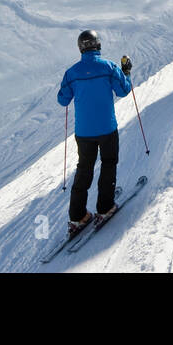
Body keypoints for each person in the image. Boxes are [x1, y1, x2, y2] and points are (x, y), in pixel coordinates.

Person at [57, 29, 133, 234]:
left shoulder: (71, 73)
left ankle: (77, 217)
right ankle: (105, 207)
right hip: (107, 128)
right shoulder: (109, 67)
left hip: (83, 132)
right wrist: (126, 72)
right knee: (108, 165)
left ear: (81, 48)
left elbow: (62, 99)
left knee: (84, 169)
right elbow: (124, 91)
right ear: (97, 45)